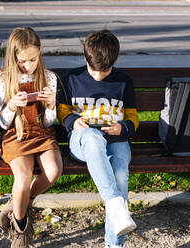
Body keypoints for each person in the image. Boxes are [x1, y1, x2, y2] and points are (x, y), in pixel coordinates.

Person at [58, 29, 139, 248]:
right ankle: (115, 205)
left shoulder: (124, 81)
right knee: (92, 137)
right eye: (94, 70)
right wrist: (72, 122)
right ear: (85, 58)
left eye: (105, 71)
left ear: (116, 60)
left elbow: (133, 117)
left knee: (120, 174)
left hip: (117, 141)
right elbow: (62, 111)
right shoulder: (72, 77)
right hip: (83, 141)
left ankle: (115, 244)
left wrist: (122, 128)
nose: (99, 76)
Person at [0, 27, 62, 248]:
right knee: (22, 179)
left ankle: (14, 206)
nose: (29, 66)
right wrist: (12, 106)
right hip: (16, 134)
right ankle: (20, 229)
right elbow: (3, 124)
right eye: (23, 61)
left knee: (53, 171)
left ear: (40, 52)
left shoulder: (49, 77)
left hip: (42, 132)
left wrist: (52, 105)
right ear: (13, 57)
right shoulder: (5, 79)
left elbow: (50, 122)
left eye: (33, 59)